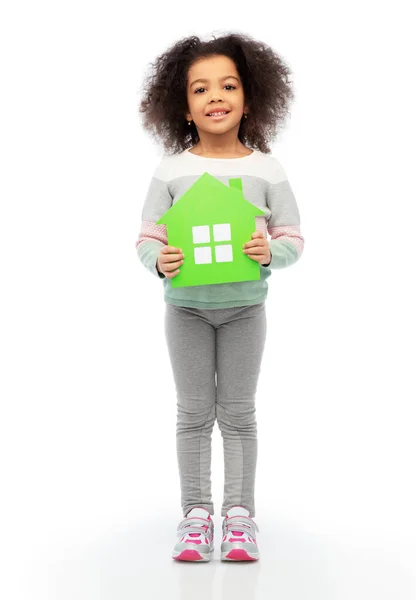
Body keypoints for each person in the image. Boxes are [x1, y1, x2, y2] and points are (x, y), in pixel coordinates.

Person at [135, 32, 305, 562]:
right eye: (200, 89)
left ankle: (238, 517)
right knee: (192, 414)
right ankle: (195, 516)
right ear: (182, 106)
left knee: (237, 414)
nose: (215, 97)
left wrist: (268, 252)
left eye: (228, 85)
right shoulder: (171, 170)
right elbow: (147, 238)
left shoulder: (267, 170)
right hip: (184, 311)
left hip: (245, 312)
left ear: (249, 98)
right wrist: (155, 261)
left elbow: (292, 238)